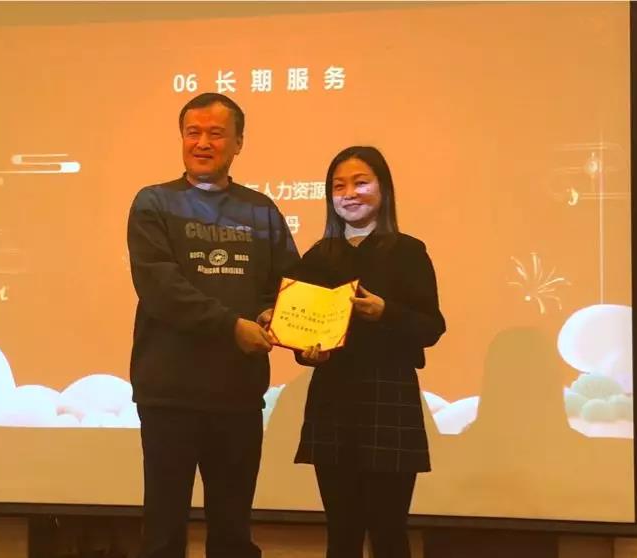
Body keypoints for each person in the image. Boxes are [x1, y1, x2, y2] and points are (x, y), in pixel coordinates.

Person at [126, 92, 299, 558]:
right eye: (193, 132)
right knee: (163, 534)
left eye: (216, 133)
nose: (202, 142)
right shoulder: (153, 203)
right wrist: (231, 326)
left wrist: (274, 315)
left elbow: (288, 287)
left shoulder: (262, 210)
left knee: (233, 533)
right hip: (169, 394)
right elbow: (161, 289)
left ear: (238, 143)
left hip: (237, 394)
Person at [288, 145, 446, 558]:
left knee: (389, 532)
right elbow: (298, 330)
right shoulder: (319, 256)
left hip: (388, 396)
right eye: (339, 186)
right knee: (341, 533)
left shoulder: (408, 251)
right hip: (332, 397)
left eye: (360, 183)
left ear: (383, 189)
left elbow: (432, 326)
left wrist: (386, 312)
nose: (349, 194)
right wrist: (307, 352)